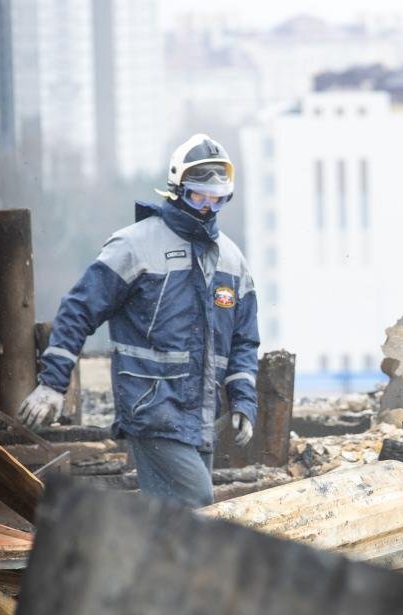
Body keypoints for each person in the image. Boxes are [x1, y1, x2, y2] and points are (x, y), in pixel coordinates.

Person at [18, 133, 259, 508]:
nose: (208, 207)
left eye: (218, 199)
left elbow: (244, 340)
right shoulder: (134, 246)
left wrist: (243, 401)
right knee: (198, 505)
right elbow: (78, 309)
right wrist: (53, 384)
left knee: (172, 526)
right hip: (152, 409)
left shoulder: (232, 260)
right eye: (199, 196)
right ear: (177, 189)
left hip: (201, 418)